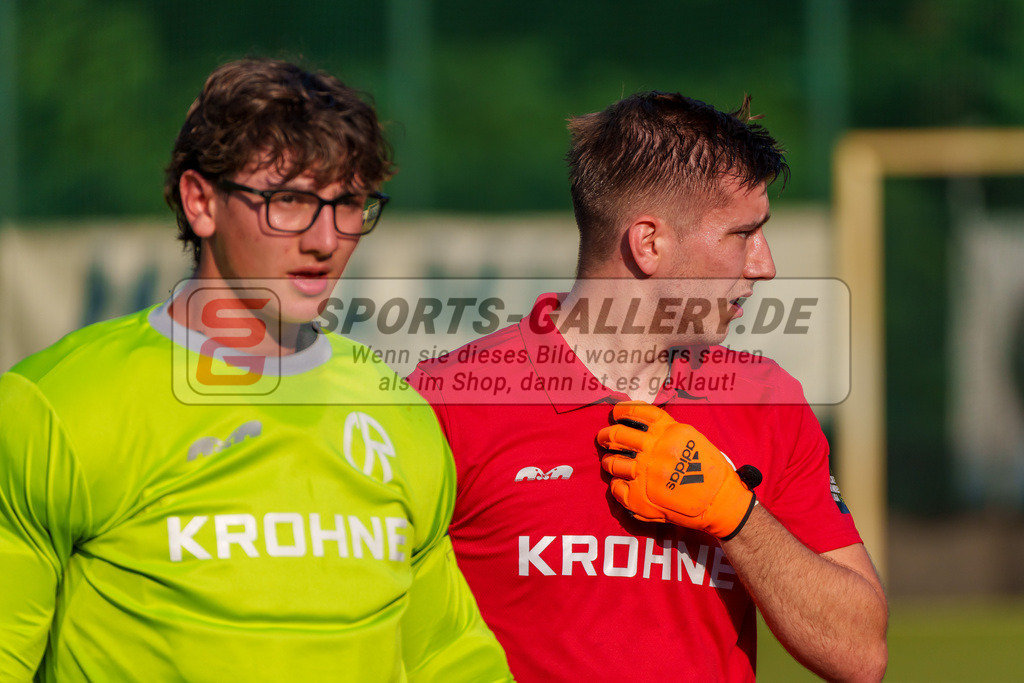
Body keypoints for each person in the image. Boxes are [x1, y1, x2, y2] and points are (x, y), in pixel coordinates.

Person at [0, 58, 510, 682]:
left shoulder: (395, 410)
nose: (325, 240)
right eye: (288, 201)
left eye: (349, 203)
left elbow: (446, 656)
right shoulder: (55, 405)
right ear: (200, 202)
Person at [408, 92, 888, 681]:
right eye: (743, 234)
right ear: (649, 243)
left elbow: (861, 656)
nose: (764, 266)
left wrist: (736, 516)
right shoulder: (447, 403)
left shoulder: (767, 400)